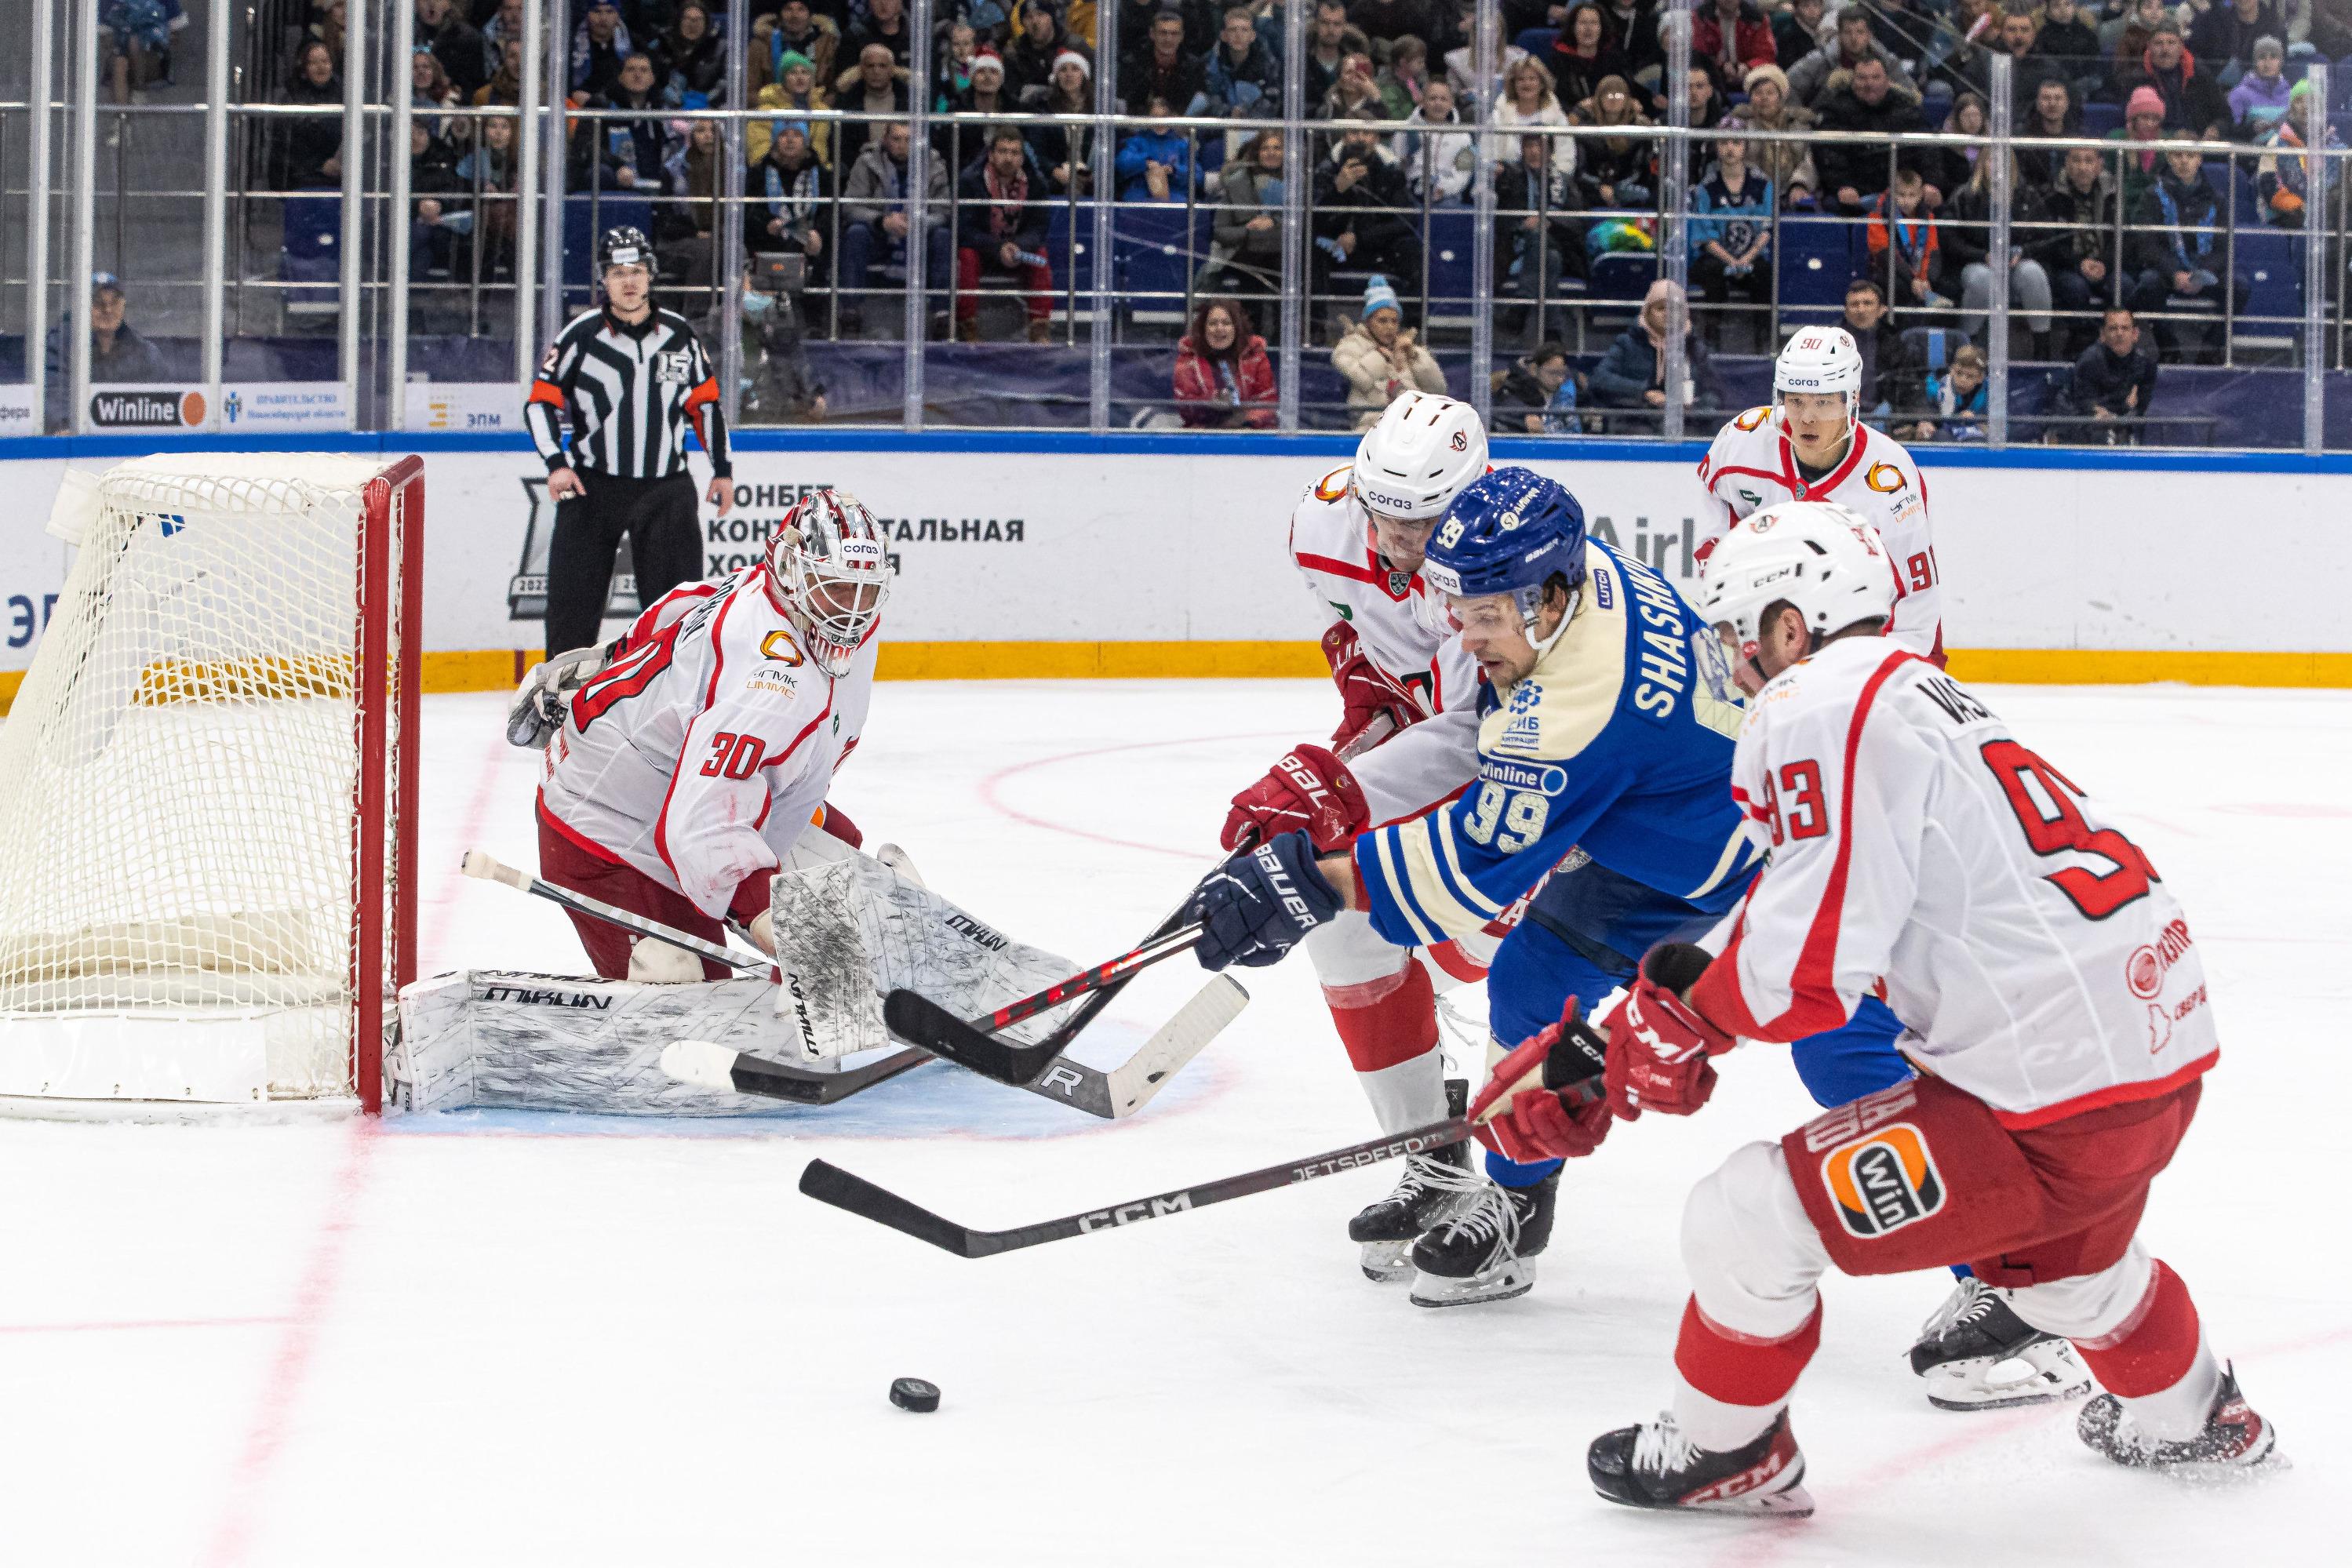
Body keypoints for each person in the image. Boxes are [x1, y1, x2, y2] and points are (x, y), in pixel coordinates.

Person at [1555, 500, 2273, 1514]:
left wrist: (1677, 1021)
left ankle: (1724, 1451)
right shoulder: (1912, 691)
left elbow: (1808, 959)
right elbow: (1815, 895)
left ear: (1789, 626)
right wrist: (1655, 1005)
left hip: (2044, 1095)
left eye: (1735, 634)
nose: (1730, 663)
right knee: (2067, 1278)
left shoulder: (1813, 703)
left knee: (1744, 1216)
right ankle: (2198, 1421)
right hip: (2150, 1056)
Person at [1211, 393, 1498, 1286]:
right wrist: (1363, 700)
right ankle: (1432, 1156)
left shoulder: (1501, 558)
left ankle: (1522, 1190)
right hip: (1433, 745)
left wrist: (1324, 790)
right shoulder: (1324, 517)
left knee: (1494, 959)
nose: (1401, 540)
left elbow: (1463, 737)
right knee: (1336, 919)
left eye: (1424, 520)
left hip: (1526, 787)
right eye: (1386, 515)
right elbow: (1351, 627)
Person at [526, 491, 889, 983]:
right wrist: (781, 929)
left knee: (836, 848)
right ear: (793, 569)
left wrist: (611, 658)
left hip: (664, 789)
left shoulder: (768, 591)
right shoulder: (774, 685)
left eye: (864, 590)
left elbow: (682, 603)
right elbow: (701, 830)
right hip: (608, 833)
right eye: (836, 588)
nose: (852, 612)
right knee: (690, 997)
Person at [524, 228, 732, 663]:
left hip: (665, 489)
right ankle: (560, 706)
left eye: (636, 271)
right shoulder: (579, 336)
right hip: (592, 488)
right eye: (618, 273)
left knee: (680, 615)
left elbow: (707, 408)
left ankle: (675, 705)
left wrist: (723, 471)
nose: (629, 282)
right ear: (604, 279)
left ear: (651, 276)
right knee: (572, 611)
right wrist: (556, 463)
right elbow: (539, 405)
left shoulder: (680, 336)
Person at [1695, 326, 1943, 655]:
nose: (1807, 418)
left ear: (1852, 399)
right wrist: (1727, 602)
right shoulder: (1743, 441)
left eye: (1823, 403)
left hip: (1850, 643)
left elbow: (1916, 608)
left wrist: (1890, 678)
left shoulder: (1889, 484)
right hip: (1771, 631)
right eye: (1795, 401)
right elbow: (1716, 511)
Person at [2128, 145, 2248, 362]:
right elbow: (2148, 245)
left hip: (2204, 271)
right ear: (2168, 157)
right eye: (2178, 154)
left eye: (2190, 155)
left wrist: (2201, 274)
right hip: (2167, 272)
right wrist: (2174, 272)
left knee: (2239, 286)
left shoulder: (2217, 199)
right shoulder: (2152, 196)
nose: (2184, 161)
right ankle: (2169, 348)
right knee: (2148, 283)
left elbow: (2223, 247)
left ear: (2199, 159)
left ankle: (2210, 349)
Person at [839, 120, 952, 336]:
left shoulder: (934, 164)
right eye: (896, 139)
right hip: (880, 235)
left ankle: (942, 315)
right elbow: (850, 206)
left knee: (943, 237)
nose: (902, 145)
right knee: (856, 233)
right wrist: (882, 221)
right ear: (885, 140)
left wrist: (918, 222)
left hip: (920, 235)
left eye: (909, 140)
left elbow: (944, 211)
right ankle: (850, 311)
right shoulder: (867, 162)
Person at [1946, 151, 2055, 355]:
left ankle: (2042, 346)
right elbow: (1951, 240)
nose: (1996, 166)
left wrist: (2024, 252)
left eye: (2002, 161)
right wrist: (1982, 255)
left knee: (2033, 274)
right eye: (1991, 160)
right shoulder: (1964, 196)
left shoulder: (2027, 195)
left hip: (2016, 262)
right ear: (1982, 165)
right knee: (1982, 280)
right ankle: (1966, 344)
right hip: (1976, 262)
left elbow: (2046, 236)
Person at [955, 126, 1057, 342]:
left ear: (1022, 158)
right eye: (1002, 152)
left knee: (1040, 258)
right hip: (983, 249)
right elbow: (964, 229)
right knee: (966, 256)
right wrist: (996, 248)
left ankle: (1039, 327)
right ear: (991, 155)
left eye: (1014, 153)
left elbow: (1039, 228)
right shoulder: (970, 180)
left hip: (1019, 250)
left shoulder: (1036, 183)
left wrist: (1018, 246)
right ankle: (967, 325)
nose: (1008, 158)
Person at [1311, 125, 1423, 315]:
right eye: (1354, 132)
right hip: (1333, 245)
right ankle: (1315, 327)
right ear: (1344, 138)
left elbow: (1407, 219)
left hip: (1375, 243)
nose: (1361, 139)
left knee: (1411, 248)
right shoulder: (1326, 169)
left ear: (1377, 139)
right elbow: (1313, 220)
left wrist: (1360, 238)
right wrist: (1338, 191)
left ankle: (1412, 329)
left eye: (1367, 133)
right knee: (1309, 251)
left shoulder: (1390, 169)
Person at [1589, 279, 1726, 427]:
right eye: (1661, 309)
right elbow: (1599, 379)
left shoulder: (1695, 347)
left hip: (1687, 424)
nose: (1667, 314)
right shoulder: (1627, 343)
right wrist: (1644, 392)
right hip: (1634, 423)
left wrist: (1692, 406)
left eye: (1674, 309)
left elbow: (1716, 393)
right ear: (1648, 312)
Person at [43, 272, 169, 427]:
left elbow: (164, 401)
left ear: (123, 305)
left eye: (115, 302)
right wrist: (65, 426)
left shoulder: (145, 352)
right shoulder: (59, 345)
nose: (108, 310)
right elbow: (53, 394)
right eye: (98, 303)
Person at [1689, 133, 1773, 352]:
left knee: (1765, 273)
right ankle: (1711, 340)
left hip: (1753, 255)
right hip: (1716, 257)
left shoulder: (1762, 184)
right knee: (1711, 271)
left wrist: (1746, 258)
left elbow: (1768, 228)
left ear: (1745, 147)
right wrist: (1731, 261)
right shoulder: (1706, 188)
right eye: (1724, 143)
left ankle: (1763, 342)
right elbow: (1705, 236)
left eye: (1736, 143)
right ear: (1717, 147)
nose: (1730, 149)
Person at [1815, 56, 1929, 216]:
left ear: (1888, 81)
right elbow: (1828, 153)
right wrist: (1842, 185)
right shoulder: (1835, 108)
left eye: (1875, 77)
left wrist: (1931, 183)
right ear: (1853, 81)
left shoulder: (1907, 108)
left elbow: (1927, 150)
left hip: (1904, 190)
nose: (1869, 84)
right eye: (1862, 78)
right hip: (1855, 190)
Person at [2042, 144, 2125, 354]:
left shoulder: (2114, 194)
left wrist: (2105, 264)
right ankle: (2081, 344)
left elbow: (2124, 239)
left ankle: (2118, 344)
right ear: (2067, 165)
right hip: (2068, 267)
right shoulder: (2052, 196)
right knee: (2076, 288)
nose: (2082, 167)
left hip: (2105, 265)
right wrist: (2079, 264)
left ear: (2099, 165)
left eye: (2089, 161)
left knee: (2125, 285)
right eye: (2076, 160)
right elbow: (2049, 243)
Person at [1332, 276, 1447, 427]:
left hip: (1412, 422)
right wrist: (1383, 357)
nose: (1390, 327)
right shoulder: (1351, 345)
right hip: (1370, 424)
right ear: (1368, 321)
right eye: (1383, 321)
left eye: (1394, 321)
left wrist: (1412, 357)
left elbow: (1438, 389)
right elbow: (1362, 379)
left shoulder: (1407, 348)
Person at [2112, 22, 2230, 140]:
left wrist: (2216, 129)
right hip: (2157, 147)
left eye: (2171, 43)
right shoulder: (2136, 79)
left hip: (2199, 145)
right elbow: (2131, 121)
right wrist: (2171, 137)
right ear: (2149, 47)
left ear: (2181, 46)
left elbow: (2225, 116)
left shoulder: (2201, 75)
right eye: (2159, 43)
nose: (2165, 49)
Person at [1172, 296, 1277, 427]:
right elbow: (1185, 407)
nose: (1219, 328)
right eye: (1213, 323)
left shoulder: (1255, 356)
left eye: (1226, 323)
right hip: (1204, 436)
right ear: (1203, 329)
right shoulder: (1188, 358)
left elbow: (1268, 402)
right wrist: (1210, 403)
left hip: (1248, 434)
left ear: (1236, 328)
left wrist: (1243, 419)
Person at [1788, 5, 1918, 109]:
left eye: (1860, 32)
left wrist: (1889, 87)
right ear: (1839, 34)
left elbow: (1912, 95)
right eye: (1848, 32)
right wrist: (1800, 115)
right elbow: (1788, 85)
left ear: (1869, 35)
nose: (1854, 38)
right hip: (1831, 127)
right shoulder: (1819, 60)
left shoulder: (1888, 61)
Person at [1205, 129, 1285, 297]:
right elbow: (1220, 231)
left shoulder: (1297, 184)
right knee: (1253, 267)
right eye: (1265, 148)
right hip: (1246, 250)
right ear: (1257, 153)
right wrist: (1249, 230)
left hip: (1282, 250)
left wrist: (1274, 222)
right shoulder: (1236, 183)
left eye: (1277, 148)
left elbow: (1306, 224)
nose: (1271, 153)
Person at [2066, 305, 2160, 441]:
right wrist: (2102, 412)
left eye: (2125, 328)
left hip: (2125, 420)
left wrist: (2129, 412)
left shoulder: (2147, 363)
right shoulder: (2088, 362)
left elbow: (2142, 405)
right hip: (2086, 423)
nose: (2119, 333)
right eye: (2113, 328)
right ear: (2102, 335)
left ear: (2135, 334)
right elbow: (2083, 402)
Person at [1728, 63, 1818, 203]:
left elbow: (1808, 160)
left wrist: (1799, 185)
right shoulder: (1739, 125)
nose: (1764, 98)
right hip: (1751, 191)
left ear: (1780, 97)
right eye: (1758, 93)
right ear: (1750, 98)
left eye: (1770, 93)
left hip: (1792, 191)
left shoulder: (1799, 123)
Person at [2256, 78, 2339, 226]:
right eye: (2300, 101)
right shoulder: (2276, 143)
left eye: (2312, 101)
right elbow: (2268, 183)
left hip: (2326, 215)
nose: (2306, 106)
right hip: (2287, 215)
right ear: (2292, 107)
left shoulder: (2333, 145)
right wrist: (2300, 208)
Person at [1867, 166, 1949, 311]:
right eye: (1901, 195)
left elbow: (1932, 252)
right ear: (1892, 194)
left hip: (1919, 275)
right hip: (1888, 271)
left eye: (1912, 195)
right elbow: (1885, 255)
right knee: (1899, 287)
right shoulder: (1878, 215)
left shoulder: (1928, 216)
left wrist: (1925, 279)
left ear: (1920, 195)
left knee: (1947, 286)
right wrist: (1913, 280)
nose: (1906, 201)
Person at [1568, 75, 1653, 209]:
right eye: (1607, 95)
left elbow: (1640, 169)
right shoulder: (1586, 130)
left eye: (1619, 96)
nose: (1613, 99)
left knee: (1644, 195)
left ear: (1627, 100)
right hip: (1592, 189)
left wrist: (1616, 186)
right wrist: (1601, 185)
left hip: (1627, 186)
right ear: (1598, 99)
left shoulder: (1640, 129)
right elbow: (1580, 170)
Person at [1495, 56, 1576, 177]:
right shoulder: (1499, 114)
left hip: (1548, 177)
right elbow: (1489, 151)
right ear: (1514, 84)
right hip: (1510, 178)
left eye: (1532, 79)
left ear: (1542, 84)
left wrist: (1557, 178)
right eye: (1521, 79)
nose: (1527, 84)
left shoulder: (1557, 116)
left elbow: (1566, 155)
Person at [1402, 78, 1477, 206]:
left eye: (1443, 99)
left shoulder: (1464, 136)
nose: (1438, 103)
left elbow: (1464, 172)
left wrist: (1443, 189)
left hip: (1448, 196)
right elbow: (1397, 162)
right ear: (1423, 102)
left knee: (1449, 207)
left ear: (1451, 104)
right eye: (1432, 98)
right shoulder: (1407, 130)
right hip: (1412, 193)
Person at [1123, 6, 1208, 115]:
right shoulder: (1133, 64)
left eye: (1174, 34)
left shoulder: (1194, 67)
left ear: (1182, 36)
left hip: (1180, 126)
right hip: (1142, 124)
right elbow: (1130, 102)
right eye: (1163, 33)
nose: (1168, 39)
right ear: (1152, 34)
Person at [1201, 5, 1281, 118]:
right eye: (1233, 30)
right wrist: (1229, 113)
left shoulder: (1268, 64)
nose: (1238, 35)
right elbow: (1209, 101)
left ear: (1253, 36)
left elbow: (1272, 100)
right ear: (1223, 35)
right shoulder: (1210, 64)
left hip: (1258, 129)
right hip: (1220, 128)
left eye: (1244, 30)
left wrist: (1249, 118)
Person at [1117, 93, 1197, 201]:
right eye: (1155, 117)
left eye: (1163, 117)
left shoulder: (1182, 145)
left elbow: (1197, 175)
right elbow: (1122, 163)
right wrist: (1146, 163)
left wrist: (1174, 171)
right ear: (1148, 117)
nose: (1159, 123)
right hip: (1140, 192)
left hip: (1174, 193)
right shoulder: (1137, 141)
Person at [1489, 340, 1582, 434]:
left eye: (1562, 373)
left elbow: (1576, 432)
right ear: (1534, 370)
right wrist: (1524, 416)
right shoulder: (1518, 394)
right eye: (1553, 373)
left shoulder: (1566, 394)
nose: (1560, 380)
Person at [1906, 340, 1989, 440]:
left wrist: (1976, 418)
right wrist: (1926, 421)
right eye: (1959, 373)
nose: (1962, 380)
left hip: (1975, 436)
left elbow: (1996, 420)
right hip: (1943, 433)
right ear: (1952, 370)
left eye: (1970, 376)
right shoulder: (1935, 387)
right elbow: (1924, 407)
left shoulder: (1990, 391)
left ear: (1980, 378)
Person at [2189, 0, 2285, 83]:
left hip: (2260, 94)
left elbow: (2281, 69)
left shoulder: (2275, 28)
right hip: (2216, 92)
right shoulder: (2215, 22)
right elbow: (2195, 58)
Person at [1691, 0, 1775, 82]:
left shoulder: (1757, 18)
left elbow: (1766, 56)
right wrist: (1721, 66)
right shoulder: (1701, 16)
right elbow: (1699, 56)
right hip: (1712, 78)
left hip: (1751, 78)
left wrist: (1748, 66)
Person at [2229, 37, 2292, 139]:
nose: (2268, 64)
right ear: (2255, 62)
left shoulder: (2291, 94)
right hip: (2252, 153)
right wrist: (2252, 129)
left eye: (2273, 57)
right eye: (2262, 57)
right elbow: (2232, 133)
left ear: (2280, 62)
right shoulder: (2239, 94)